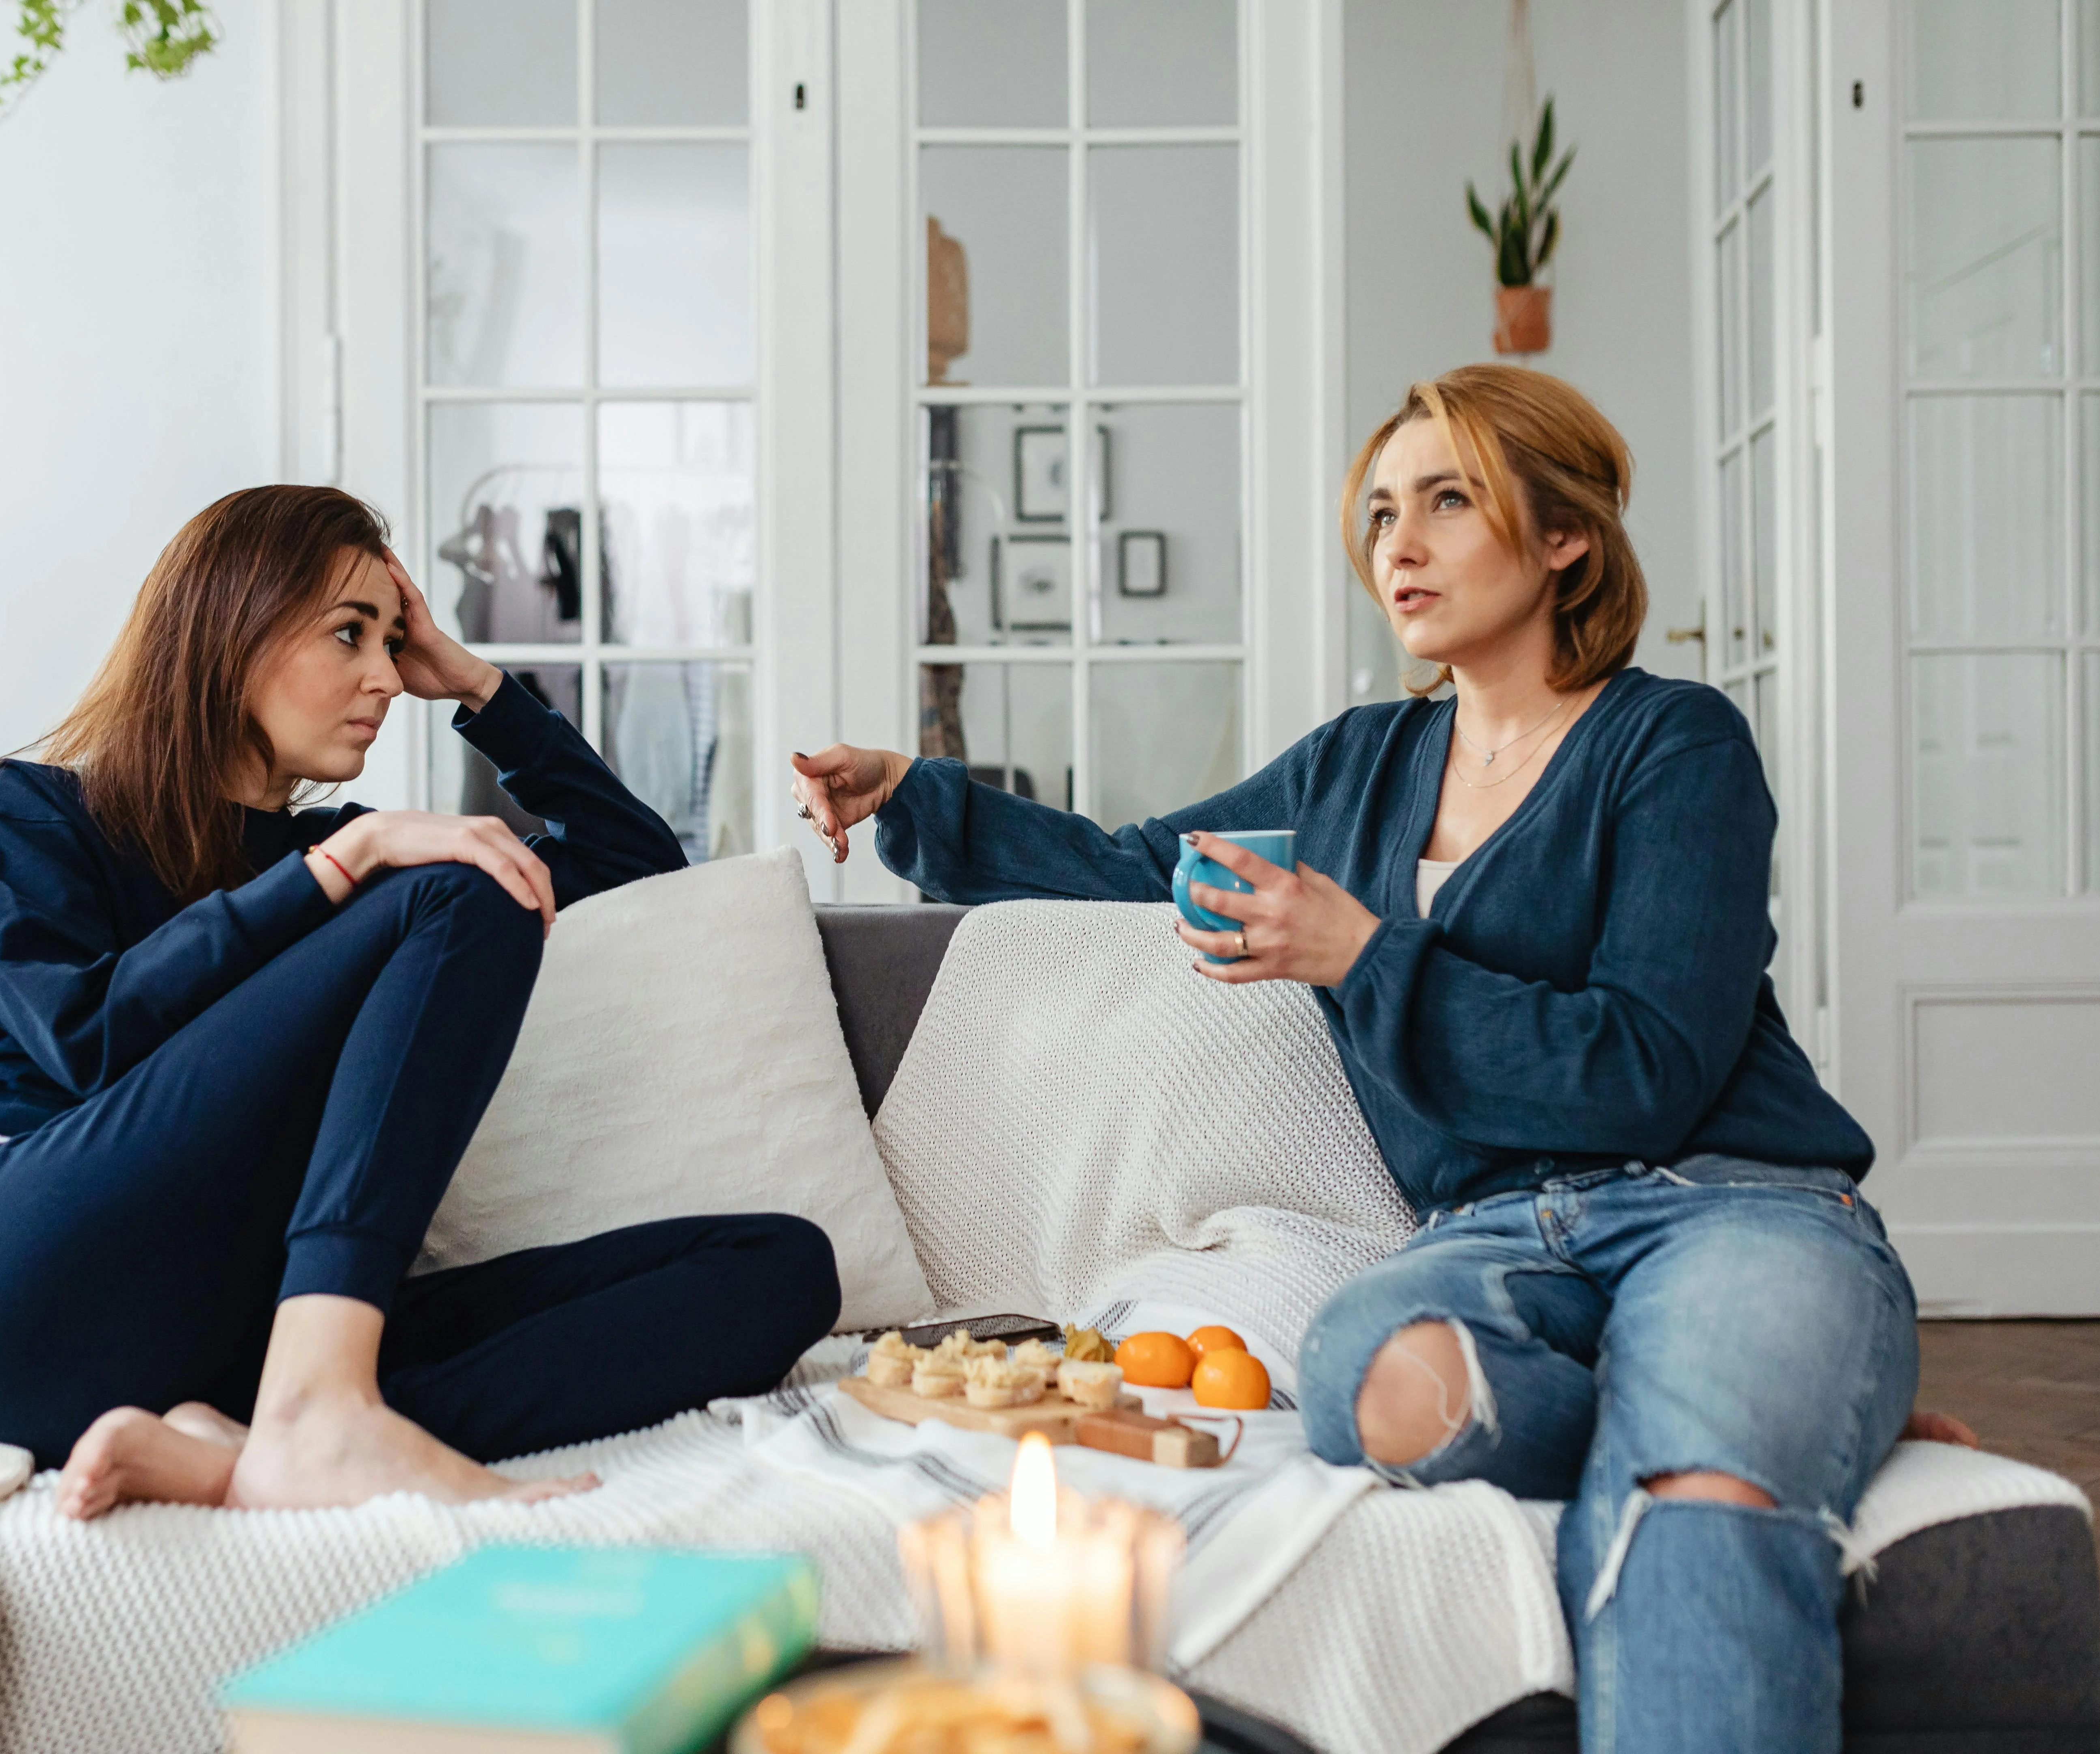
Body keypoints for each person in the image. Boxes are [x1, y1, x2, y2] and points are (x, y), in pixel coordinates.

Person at [789, 366, 1973, 1754]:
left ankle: (1754, 1399)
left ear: (1561, 535)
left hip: (1726, 1201)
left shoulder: (1672, 743)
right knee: (1375, 1374)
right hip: (1487, 1235)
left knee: (1695, 1485)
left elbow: (1645, 1062)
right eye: (1379, 513)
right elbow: (1135, 867)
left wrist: (1362, 954)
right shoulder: (1358, 765)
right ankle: (1797, 1397)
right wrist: (914, 794)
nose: (1396, 546)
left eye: (1447, 501)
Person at [0, 484, 840, 1520]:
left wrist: (472, 682)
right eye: (349, 635)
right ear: (228, 632)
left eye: (393, 640)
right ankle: (322, 1411)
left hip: (237, 1320)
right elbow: (81, 1038)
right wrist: (345, 862)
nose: (385, 677)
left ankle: (257, 1444)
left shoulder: (353, 858)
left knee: (780, 1267)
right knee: (469, 881)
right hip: (10, 1271)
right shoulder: (35, 810)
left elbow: (637, 864)